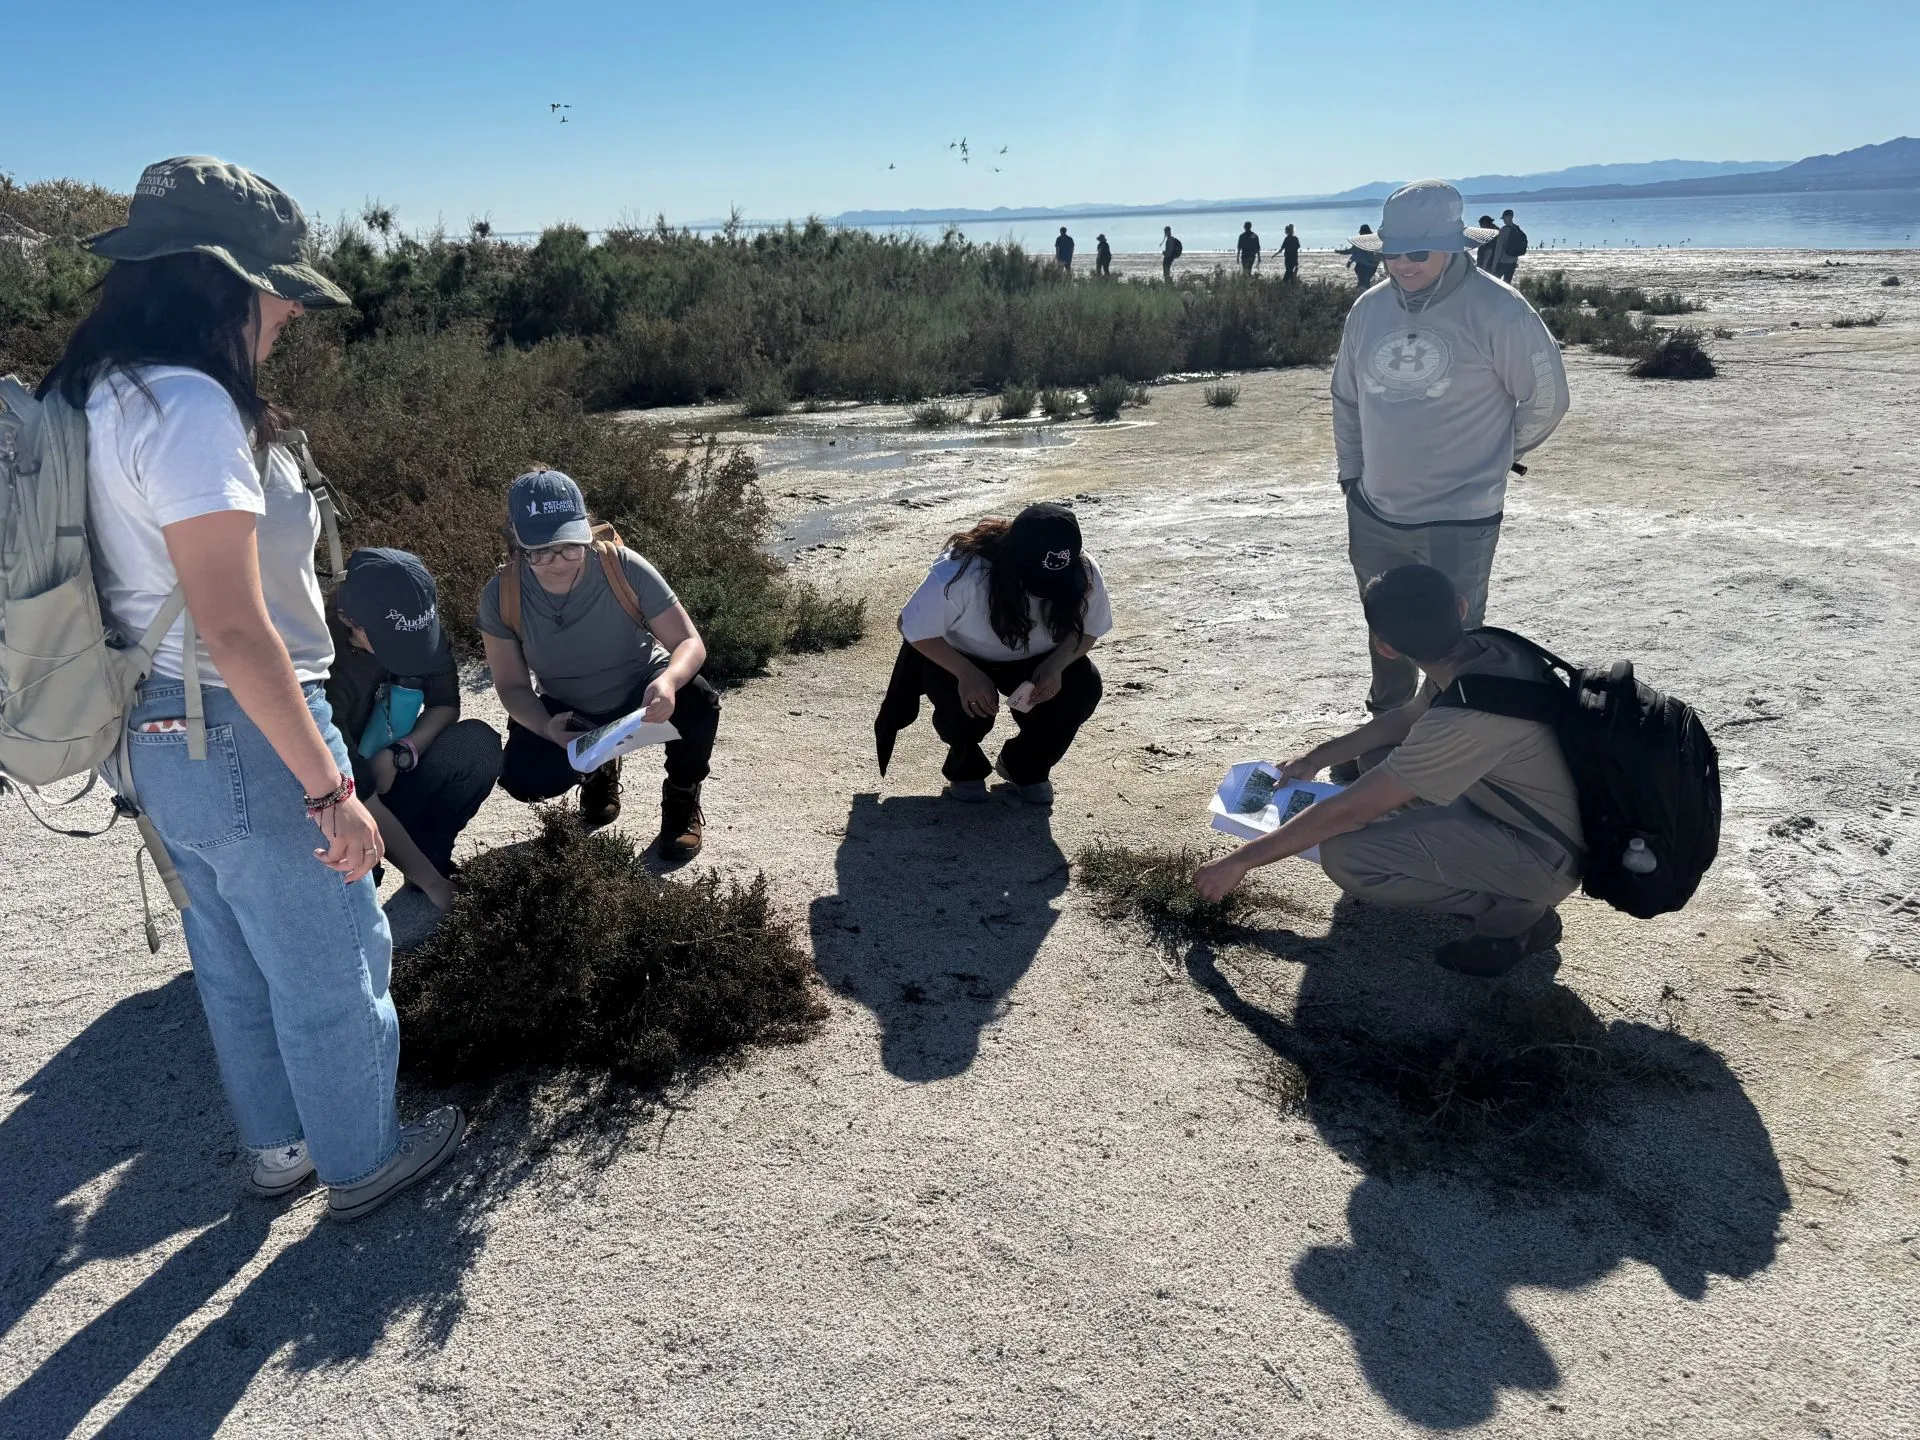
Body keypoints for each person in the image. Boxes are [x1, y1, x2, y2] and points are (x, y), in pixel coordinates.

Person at [41, 155, 463, 1220]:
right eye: (277, 288)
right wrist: (331, 788)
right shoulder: (186, 406)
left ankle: (280, 1151)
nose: (288, 312)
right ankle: (363, 1161)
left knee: (229, 953)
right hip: (237, 727)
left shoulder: (100, 388)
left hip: (150, 728)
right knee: (335, 953)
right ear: (222, 282)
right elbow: (235, 626)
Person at [1195, 564, 1581, 977]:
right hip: (1524, 809)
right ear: (1461, 607)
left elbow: (1348, 812)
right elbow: (1409, 717)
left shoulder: (1466, 716)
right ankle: (1478, 870)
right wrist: (1316, 758)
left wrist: (1239, 861)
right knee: (1376, 759)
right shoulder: (1486, 650)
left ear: (1385, 648)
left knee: (1347, 855)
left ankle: (1519, 916)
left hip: (1546, 855)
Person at [1332, 180, 1568, 745]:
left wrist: (1494, 456)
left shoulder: (1498, 308)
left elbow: (1545, 399)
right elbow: (1346, 396)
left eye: (1418, 252)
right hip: (1376, 509)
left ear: (1455, 246)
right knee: (1384, 632)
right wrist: (1352, 474)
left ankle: (1447, 745)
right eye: (1392, 252)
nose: (1403, 264)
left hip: (1459, 516)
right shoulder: (1368, 309)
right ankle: (1384, 736)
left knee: (1455, 641)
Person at [479, 468, 719, 861]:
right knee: (526, 779)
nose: (558, 561)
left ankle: (681, 797)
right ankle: (597, 769)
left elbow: (688, 642)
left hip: (640, 690)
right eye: (539, 551)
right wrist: (545, 727)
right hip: (569, 709)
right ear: (516, 547)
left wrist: (670, 682)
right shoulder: (500, 595)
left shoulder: (621, 566)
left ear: (587, 532)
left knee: (700, 702)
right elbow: (511, 685)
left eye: (570, 546)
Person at [874, 504, 1110, 806]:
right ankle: (965, 765)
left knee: (1083, 686)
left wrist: (1057, 664)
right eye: (1035, 580)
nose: (1045, 591)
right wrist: (966, 673)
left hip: (1037, 656)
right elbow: (909, 625)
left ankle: (1024, 766)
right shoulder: (962, 572)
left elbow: (1090, 629)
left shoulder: (1084, 570)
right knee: (964, 712)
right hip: (961, 653)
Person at [326, 547, 502, 914]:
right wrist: (437, 887)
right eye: (393, 643)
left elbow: (445, 704)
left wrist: (402, 753)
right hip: (338, 794)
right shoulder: (322, 664)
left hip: (392, 767)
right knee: (358, 881)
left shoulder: (417, 624)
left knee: (477, 745)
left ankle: (430, 851)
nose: (409, 652)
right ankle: (397, 867)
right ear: (348, 619)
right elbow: (357, 798)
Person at [1493, 209, 1527, 283]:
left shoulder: (1503, 230)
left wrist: (1494, 265)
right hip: (1513, 262)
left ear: (1509, 217)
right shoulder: (1517, 229)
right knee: (1507, 284)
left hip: (1502, 262)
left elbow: (1498, 249)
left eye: (1504, 218)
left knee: (1494, 283)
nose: (1504, 220)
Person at [1343, 224, 1380, 289]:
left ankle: (1360, 295)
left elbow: (1353, 252)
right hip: (1373, 266)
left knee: (1362, 284)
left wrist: (1349, 261)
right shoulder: (1373, 241)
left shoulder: (1360, 241)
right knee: (1365, 282)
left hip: (1363, 266)